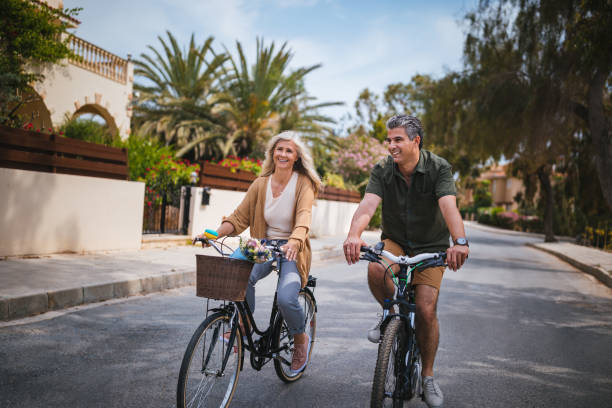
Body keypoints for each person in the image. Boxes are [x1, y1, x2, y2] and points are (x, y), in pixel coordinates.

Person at [343, 114, 469, 408]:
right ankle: (389, 313)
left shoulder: (438, 168)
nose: (391, 146)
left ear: (416, 141)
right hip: (396, 239)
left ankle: (427, 376)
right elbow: (368, 204)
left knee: (425, 309)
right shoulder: (383, 169)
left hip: (431, 246)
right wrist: (353, 235)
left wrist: (459, 242)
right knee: (376, 266)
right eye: (389, 140)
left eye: (397, 139)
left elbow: (449, 206)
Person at [206, 131, 321, 374]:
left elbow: (303, 218)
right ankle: (245, 324)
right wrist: (214, 234)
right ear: (272, 152)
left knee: (287, 298)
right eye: (279, 149)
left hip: (292, 248)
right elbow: (239, 217)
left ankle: (300, 339)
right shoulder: (261, 184)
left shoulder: (304, 184)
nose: (283, 154)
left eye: (289, 150)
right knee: (237, 275)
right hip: (262, 246)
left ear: (296, 156)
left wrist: (294, 241)